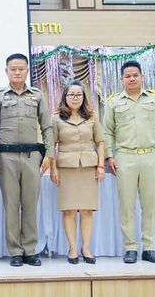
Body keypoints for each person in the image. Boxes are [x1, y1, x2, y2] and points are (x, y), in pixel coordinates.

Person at [0, 53, 54, 267]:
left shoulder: (37, 95)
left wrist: (50, 155)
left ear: (27, 70)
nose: (17, 72)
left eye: (21, 69)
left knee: (30, 204)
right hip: (5, 157)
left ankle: (30, 250)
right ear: (6, 71)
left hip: (32, 156)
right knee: (11, 204)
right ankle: (15, 251)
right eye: (13, 69)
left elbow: (47, 126)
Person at [104, 60, 155, 264]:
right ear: (121, 79)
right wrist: (110, 156)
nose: (132, 78)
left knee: (150, 205)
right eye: (127, 76)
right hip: (125, 157)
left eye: (135, 75)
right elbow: (108, 131)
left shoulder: (154, 99)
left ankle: (149, 248)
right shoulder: (114, 102)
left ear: (142, 76)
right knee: (126, 205)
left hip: (151, 157)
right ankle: (130, 248)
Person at [50, 80, 104, 265]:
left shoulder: (92, 116)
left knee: (88, 210)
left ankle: (86, 247)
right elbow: (52, 145)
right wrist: (53, 169)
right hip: (66, 168)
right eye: (71, 94)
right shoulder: (56, 117)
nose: (75, 98)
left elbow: (100, 142)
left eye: (79, 94)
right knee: (69, 210)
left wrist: (101, 166)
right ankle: (72, 248)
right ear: (65, 97)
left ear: (84, 97)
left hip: (88, 166)